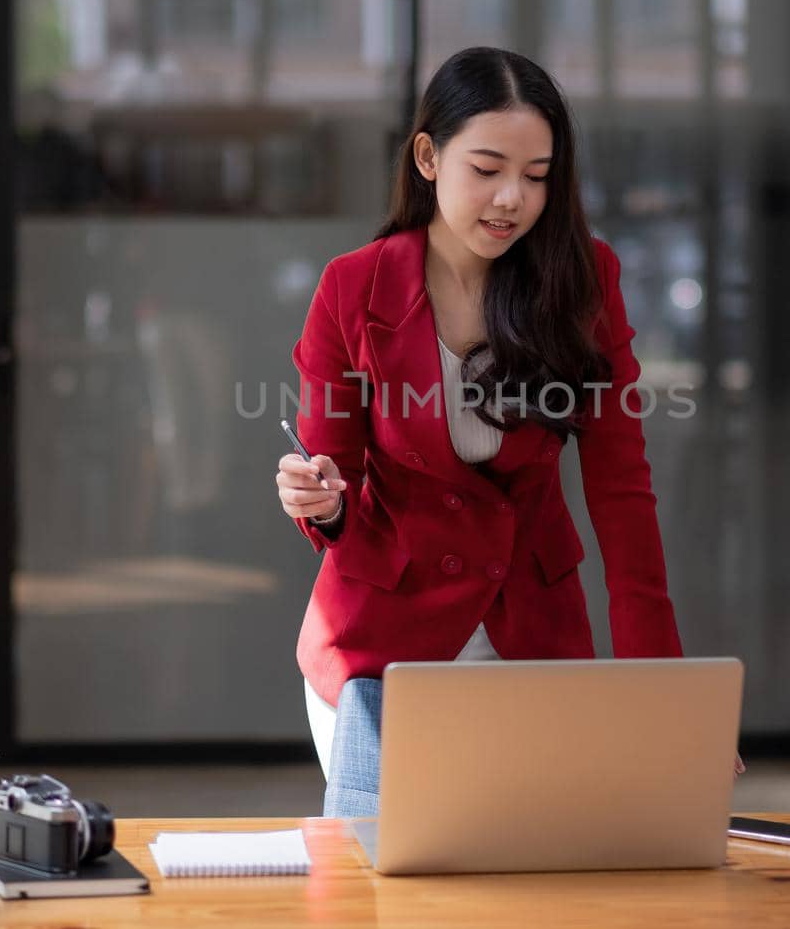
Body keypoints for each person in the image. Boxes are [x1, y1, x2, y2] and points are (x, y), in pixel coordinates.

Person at [275, 46, 743, 787]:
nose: (511, 200)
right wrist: (322, 500)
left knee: (542, 882)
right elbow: (336, 485)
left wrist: (662, 687)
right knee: (378, 888)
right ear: (428, 157)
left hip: (529, 629)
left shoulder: (584, 281)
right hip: (379, 647)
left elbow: (622, 491)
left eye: (536, 176)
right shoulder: (351, 288)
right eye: (486, 169)